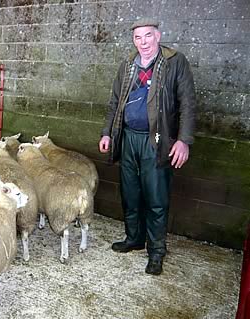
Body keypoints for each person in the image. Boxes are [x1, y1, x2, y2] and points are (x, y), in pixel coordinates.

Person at [99, 17, 196, 275]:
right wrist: (107, 133)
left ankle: (156, 251)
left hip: (157, 139)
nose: (143, 42)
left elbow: (187, 103)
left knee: (156, 197)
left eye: (148, 36)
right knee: (130, 193)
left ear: (158, 35)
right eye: (138, 37)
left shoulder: (175, 62)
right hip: (129, 137)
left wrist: (184, 140)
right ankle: (134, 238)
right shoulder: (128, 65)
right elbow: (115, 102)